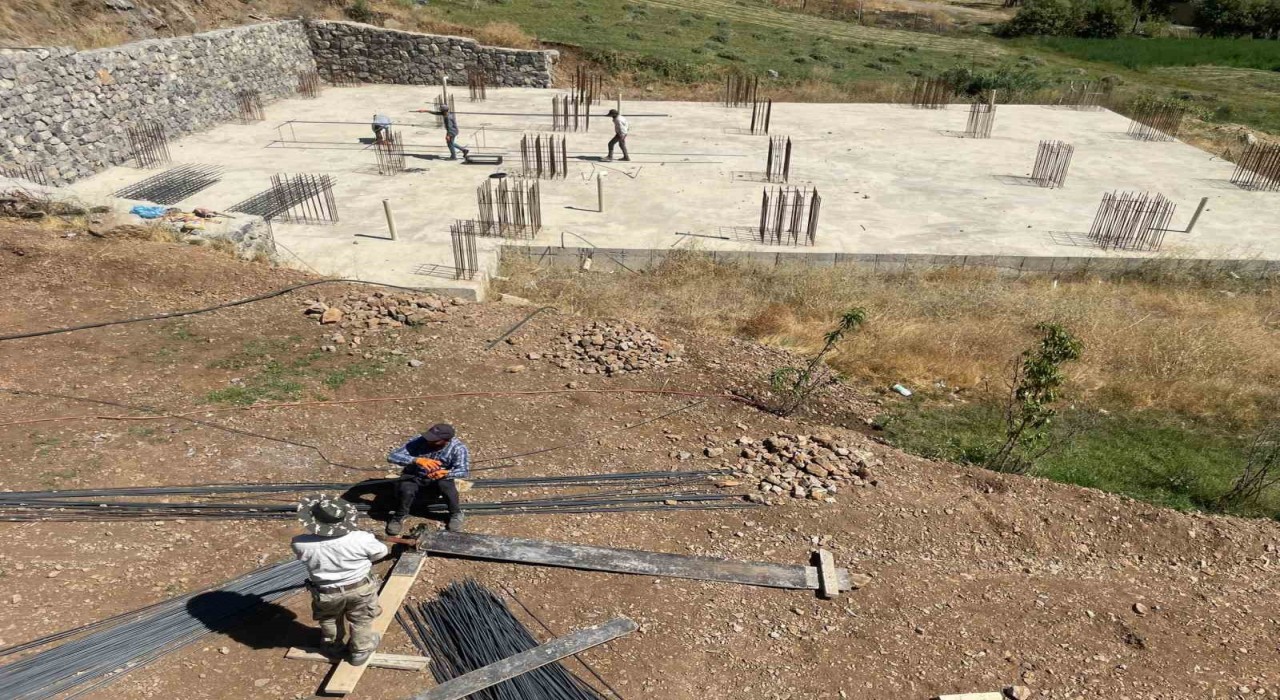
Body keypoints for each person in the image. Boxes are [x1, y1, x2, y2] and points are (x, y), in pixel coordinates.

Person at [291, 494, 388, 667]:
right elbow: (381, 553)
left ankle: (333, 647)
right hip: (360, 588)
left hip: (327, 593)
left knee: (329, 618)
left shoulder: (300, 543)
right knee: (361, 618)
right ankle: (360, 650)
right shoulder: (362, 538)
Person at [386, 423, 470, 535]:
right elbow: (392, 456)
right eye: (429, 438)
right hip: (414, 475)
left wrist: (446, 473)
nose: (429, 442)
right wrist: (416, 460)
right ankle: (399, 515)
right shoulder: (419, 440)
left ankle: (455, 513)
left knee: (447, 486)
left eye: (435, 441)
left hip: (438, 479)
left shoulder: (458, 448)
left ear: (446, 440)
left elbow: (463, 470)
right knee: (406, 489)